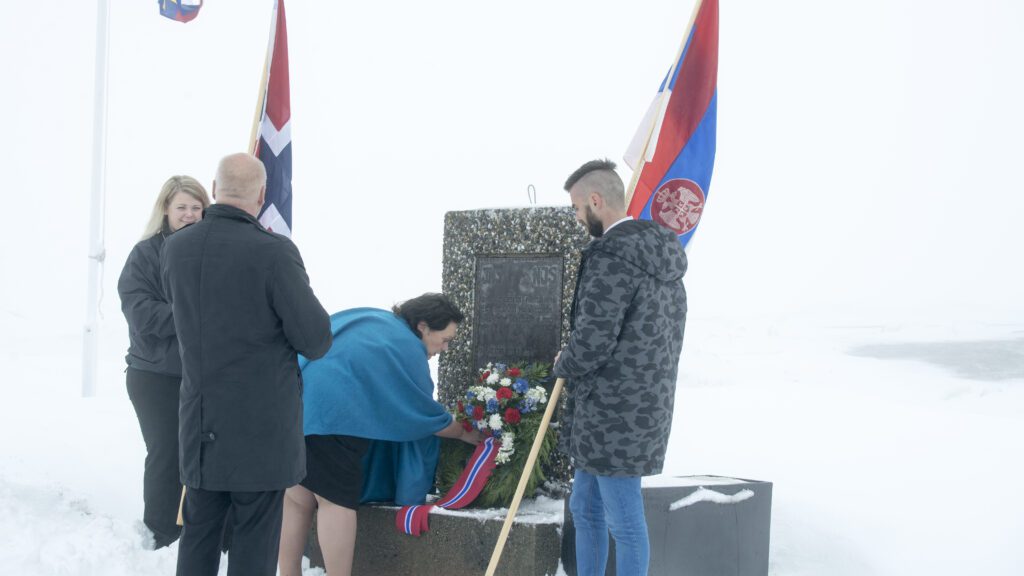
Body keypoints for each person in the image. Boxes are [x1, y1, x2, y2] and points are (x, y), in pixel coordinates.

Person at [161, 153, 332, 576]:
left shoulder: (176, 248)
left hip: (200, 422)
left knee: (198, 537)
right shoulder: (274, 253)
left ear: (214, 191)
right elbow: (315, 340)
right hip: (260, 431)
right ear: (261, 195)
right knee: (254, 547)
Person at [278, 293, 481, 576]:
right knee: (335, 502)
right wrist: (463, 433)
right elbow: (423, 412)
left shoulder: (375, 319)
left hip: (294, 408)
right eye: (445, 339)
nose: (445, 348)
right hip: (332, 419)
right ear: (423, 326)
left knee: (297, 498)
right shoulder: (407, 346)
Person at [553, 159, 687, 576]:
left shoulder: (611, 256)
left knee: (623, 519)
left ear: (595, 200)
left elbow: (593, 339)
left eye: (577, 208)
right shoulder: (661, 258)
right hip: (639, 404)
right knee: (585, 507)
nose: (577, 218)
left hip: (612, 409)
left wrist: (564, 362)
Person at [118, 175, 210, 549]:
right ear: (166, 211)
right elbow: (142, 315)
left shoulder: (212, 253)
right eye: (181, 208)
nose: (189, 215)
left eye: (195, 208)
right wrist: (193, 315)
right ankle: (161, 531)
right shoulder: (145, 255)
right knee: (167, 451)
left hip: (202, 375)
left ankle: (201, 529)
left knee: (202, 454)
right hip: (154, 375)